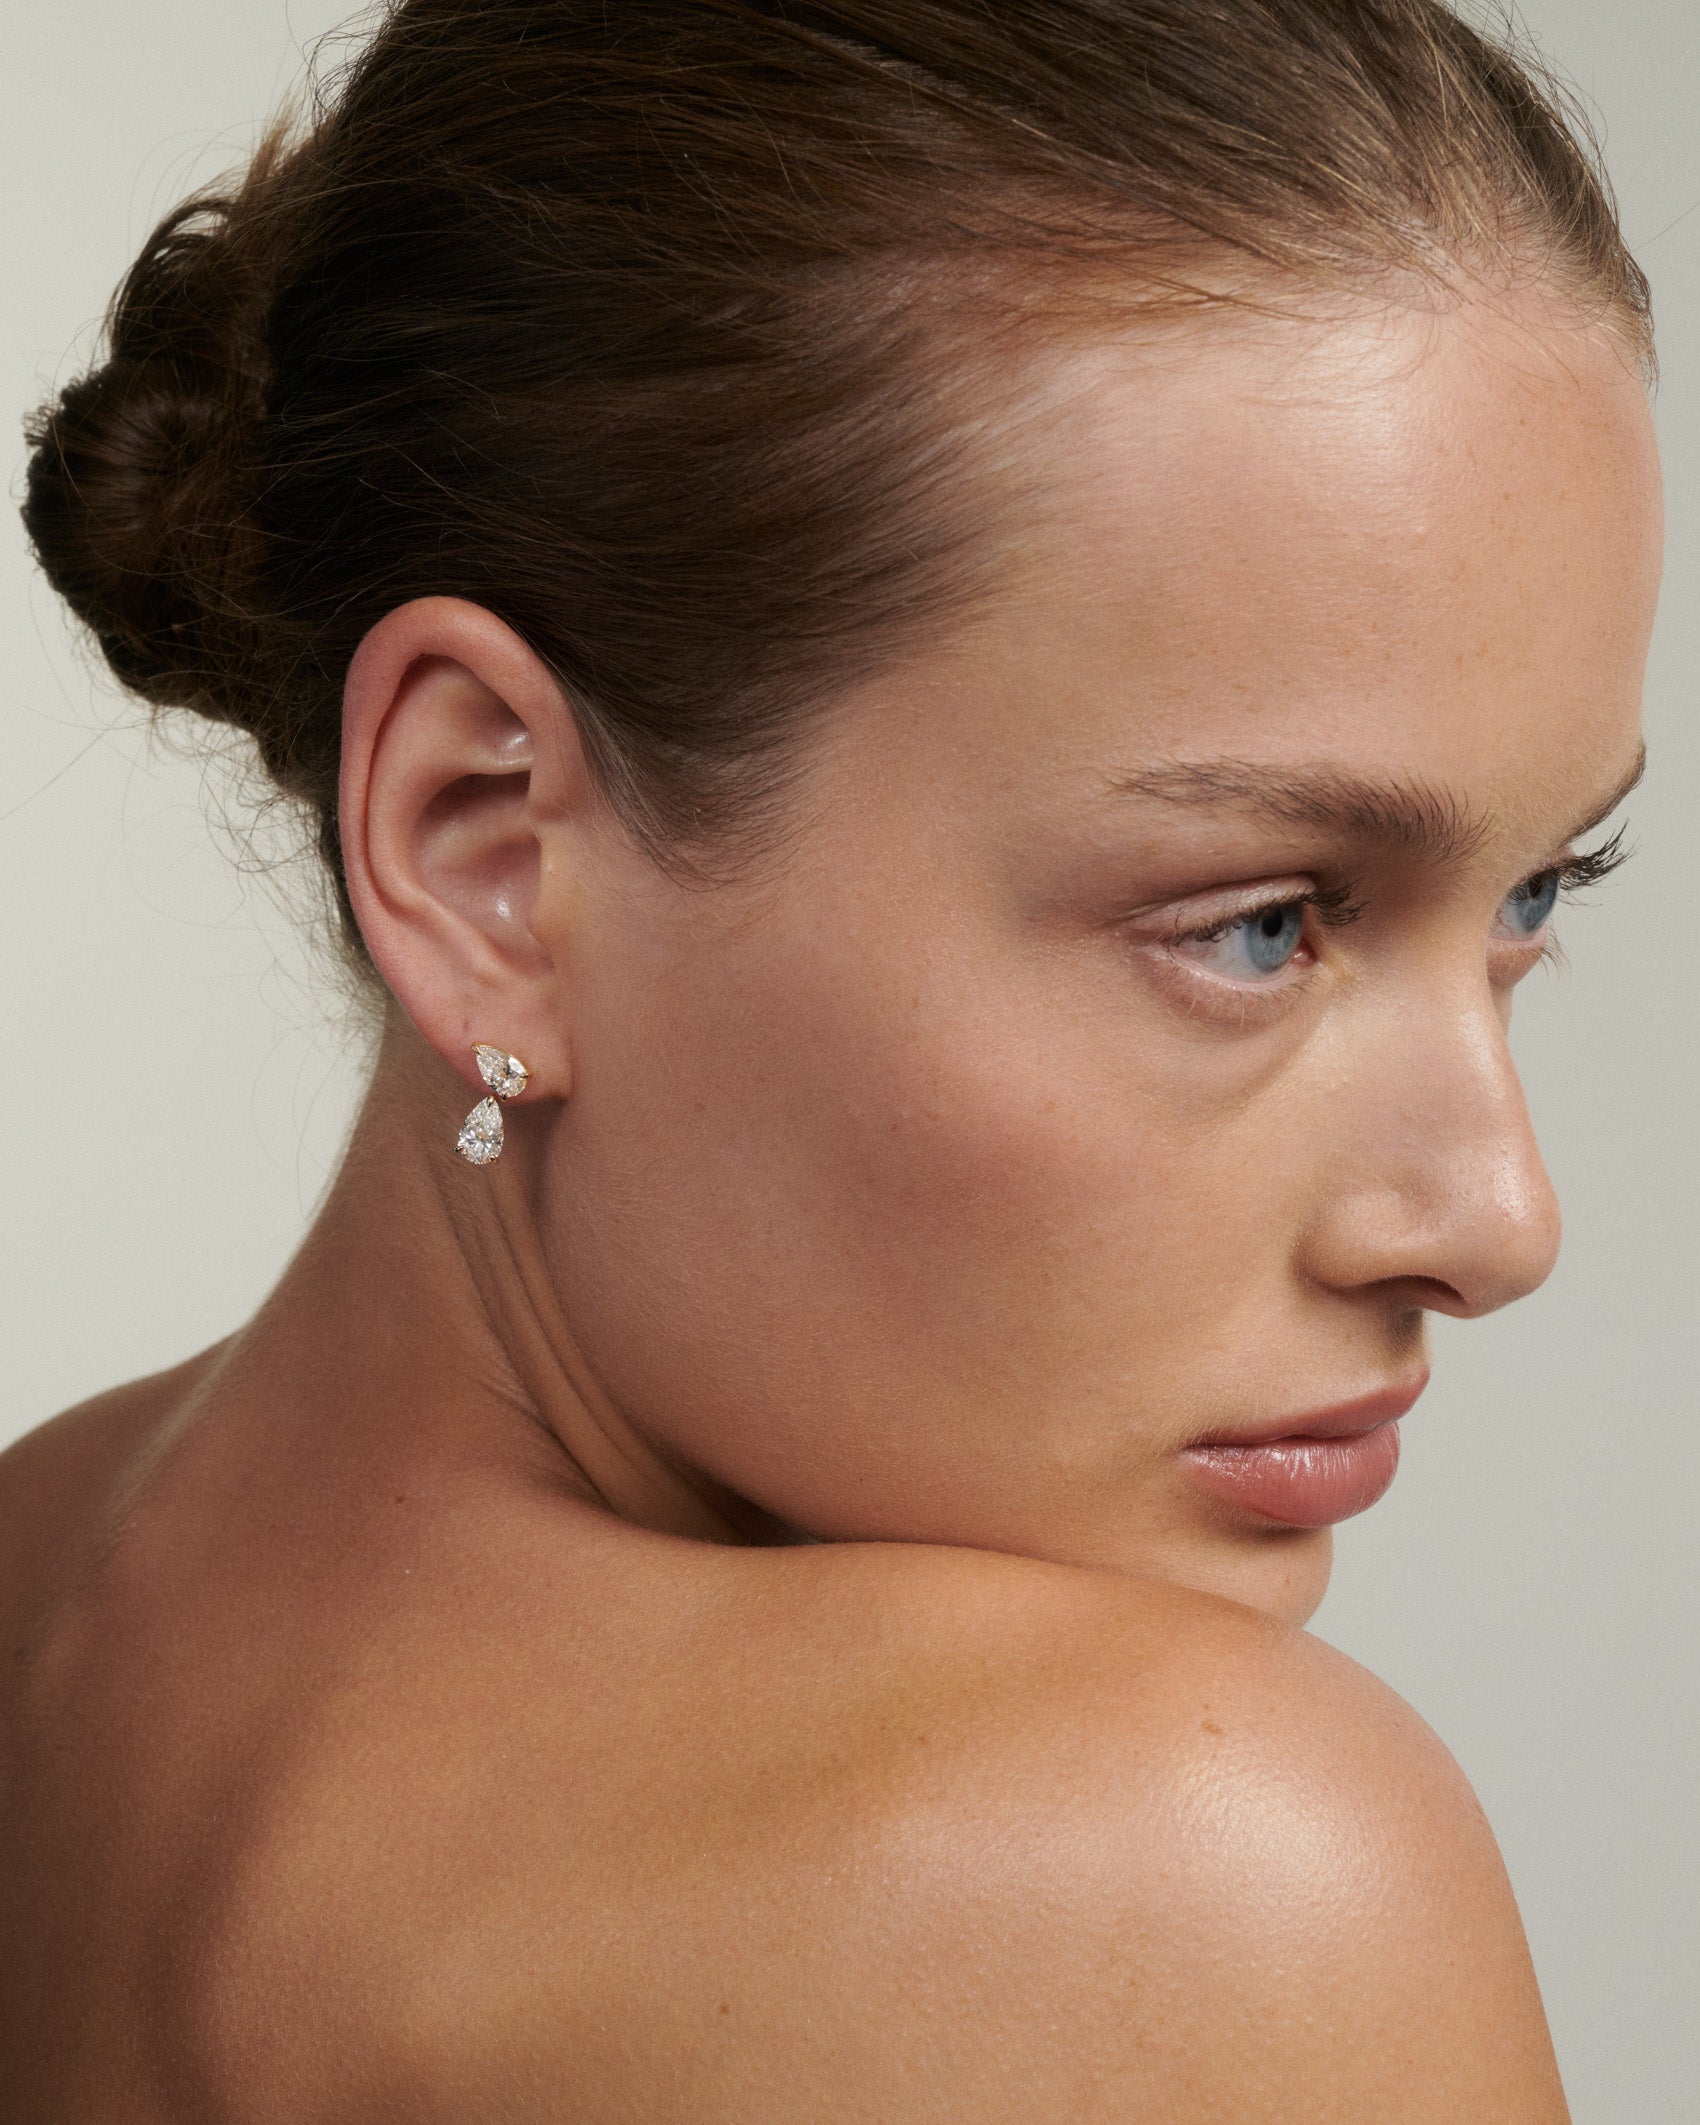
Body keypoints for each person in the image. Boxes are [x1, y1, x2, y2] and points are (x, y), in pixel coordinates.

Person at [0, 0, 1662, 2115]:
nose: (1494, 1219)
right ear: (485, 848)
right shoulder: (1189, 1875)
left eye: (1534, 895)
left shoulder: (34, 1569)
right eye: (1257, 923)